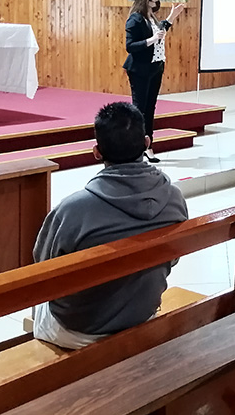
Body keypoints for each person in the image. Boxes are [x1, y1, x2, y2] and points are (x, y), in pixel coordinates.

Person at [33, 102, 189, 349]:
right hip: (142, 313)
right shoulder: (174, 197)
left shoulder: (73, 209)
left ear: (96, 152)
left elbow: (42, 269)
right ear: (147, 143)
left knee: (40, 302)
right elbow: (173, 258)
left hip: (80, 331)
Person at [125, 0, 184, 150]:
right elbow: (130, 46)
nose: (156, 1)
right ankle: (136, 145)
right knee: (140, 108)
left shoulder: (151, 17)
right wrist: (151, 40)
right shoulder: (135, 19)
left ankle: (148, 144)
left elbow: (160, 30)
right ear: (145, 0)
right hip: (140, 68)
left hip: (156, 66)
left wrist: (172, 16)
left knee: (150, 106)